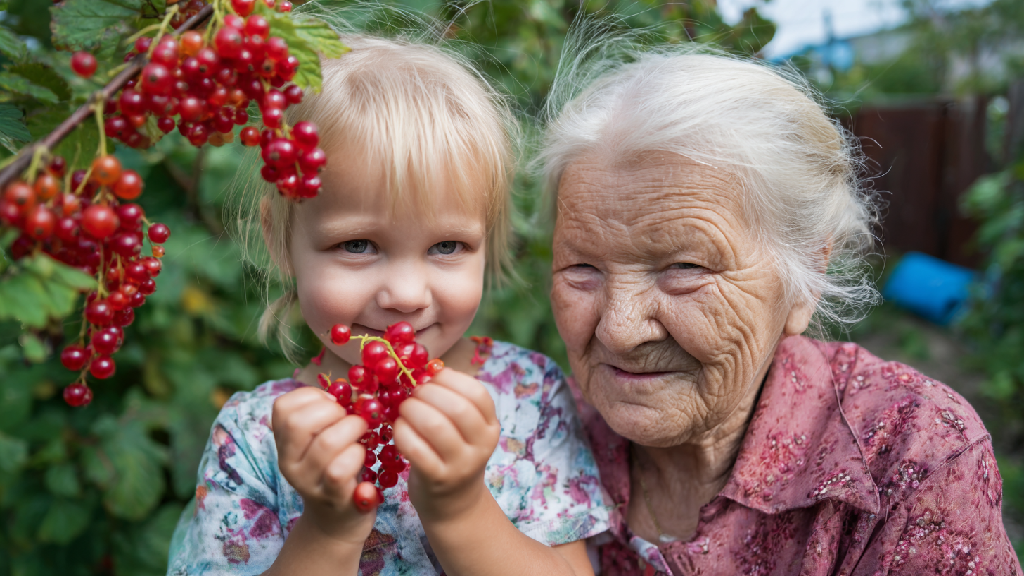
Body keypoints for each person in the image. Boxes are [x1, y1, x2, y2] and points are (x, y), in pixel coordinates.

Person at [538, 43, 1024, 575]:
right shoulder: (531, 434)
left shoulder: (910, 454)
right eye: (582, 268)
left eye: (685, 268)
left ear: (805, 280)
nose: (620, 329)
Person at [167, 34, 608, 576]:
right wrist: (327, 528)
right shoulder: (254, 439)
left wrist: (461, 511)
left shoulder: (529, 395)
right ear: (280, 241)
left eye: (447, 246)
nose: (405, 295)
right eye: (357, 245)